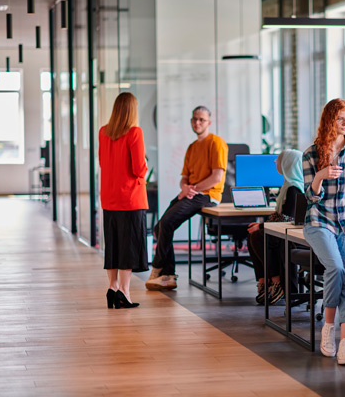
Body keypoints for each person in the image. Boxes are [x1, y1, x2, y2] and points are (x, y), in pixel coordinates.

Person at [302, 98, 345, 365]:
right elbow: (311, 197)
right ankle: (328, 328)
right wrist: (320, 175)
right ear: (329, 121)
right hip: (320, 220)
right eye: (340, 119)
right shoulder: (311, 153)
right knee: (336, 268)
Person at [145, 106, 228, 291]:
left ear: (209, 122)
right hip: (193, 193)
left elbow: (217, 177)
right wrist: (185, 188)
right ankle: (169, 275)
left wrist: (193, 189)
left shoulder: (216, 143)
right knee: (160, 226)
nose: (197, 122)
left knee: (166, 224)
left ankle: (159, 269)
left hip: (207, 195)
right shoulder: (192, 147)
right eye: (194, 119)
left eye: (201, 120)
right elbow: (184, 177)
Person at [98, 92, 148, 309]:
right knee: (127, 246)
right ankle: (125, 292)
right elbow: (139, 169)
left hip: (109, 198)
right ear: (132, 110)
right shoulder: (135, 132)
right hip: (130, 199)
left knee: (113, 245)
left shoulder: (103, 132)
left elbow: (102, 163)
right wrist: (145, 166)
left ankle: (112, 287)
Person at [247, 149, 304, 305]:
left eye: (279, 159)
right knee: (253, 233)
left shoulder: (294, 189)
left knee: (259, 237)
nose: (275, 162)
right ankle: (264, 281)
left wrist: (262, 226)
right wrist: (260, 225)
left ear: (288, 164)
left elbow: (287, 219)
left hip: (291, 236)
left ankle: (276, 281)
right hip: (283, 231)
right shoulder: (288, 185)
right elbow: (281, 216)